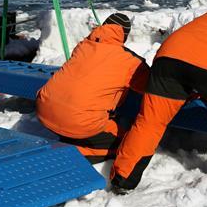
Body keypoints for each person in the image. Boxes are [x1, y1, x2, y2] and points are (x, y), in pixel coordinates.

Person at [111, 4, 207, 191]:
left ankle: (123, 178)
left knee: (150, 122)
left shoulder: (205, 20)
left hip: (165, 61)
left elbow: (189, 57)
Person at [36, 13, 149, 162]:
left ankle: (71, 139)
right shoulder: (130, 60)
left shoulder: (83, 45)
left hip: (43, 112)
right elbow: (153, 86)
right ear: (124, 35)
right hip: (79, 123)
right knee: (127, 142)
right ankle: (75, 151)